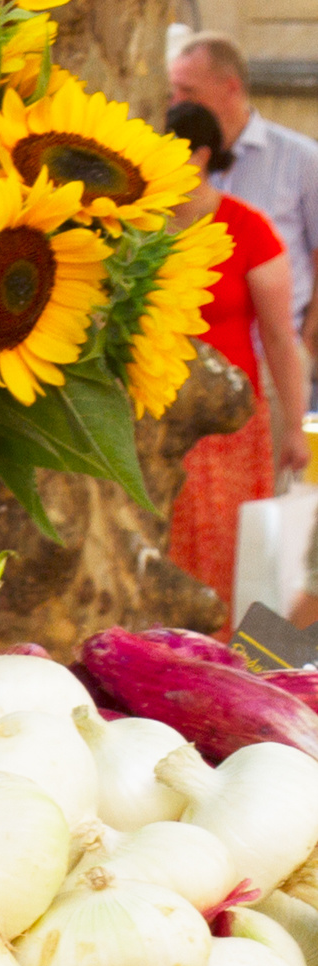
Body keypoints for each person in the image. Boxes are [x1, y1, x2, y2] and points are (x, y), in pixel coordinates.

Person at [162, 101, 306, 606]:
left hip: (230, 427)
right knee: (164, 553)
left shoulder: (247, 228)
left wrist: (294, 426)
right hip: (155, 416)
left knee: (233, 557)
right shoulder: (142, 226)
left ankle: (235, 667)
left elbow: (279, 339)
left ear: (199, 155)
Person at [169, 33, 318, 417]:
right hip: (184, 365)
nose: (176, 101)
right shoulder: (168, 154)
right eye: (174, 90)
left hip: (272, 357)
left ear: (229, 87)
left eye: (188, 90)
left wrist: (310, 334)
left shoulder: (301, 159)